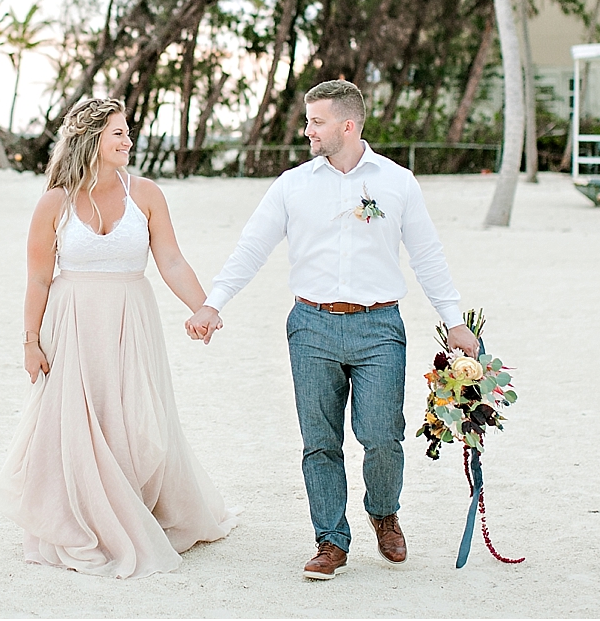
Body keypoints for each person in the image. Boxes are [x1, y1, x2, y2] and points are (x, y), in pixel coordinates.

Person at [186, 79, 480, 579]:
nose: (307, 131)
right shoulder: (292, 184)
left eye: (316, 122)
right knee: (319, 440)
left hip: (380, 325)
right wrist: (214, 303)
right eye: (308, 121)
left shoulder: (397, 182)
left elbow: (427, 255)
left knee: (382, 435)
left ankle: (384, 513)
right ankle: (331, 540)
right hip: (311, 325)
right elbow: (252, 246)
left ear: (348, 124)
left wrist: (454, 320)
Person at [0, 97, 236, 579]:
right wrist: (29, 341)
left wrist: (203, 306)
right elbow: (39, 279)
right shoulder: (54, 202)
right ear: (91, 140)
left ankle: (134, 507)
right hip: (72, 324)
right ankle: (84, 516)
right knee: (73, 423)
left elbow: (170, 259)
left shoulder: (146, 194)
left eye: (128, 133)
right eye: (119, 134)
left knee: (133, 419)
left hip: (132, 320)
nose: (128, 141)